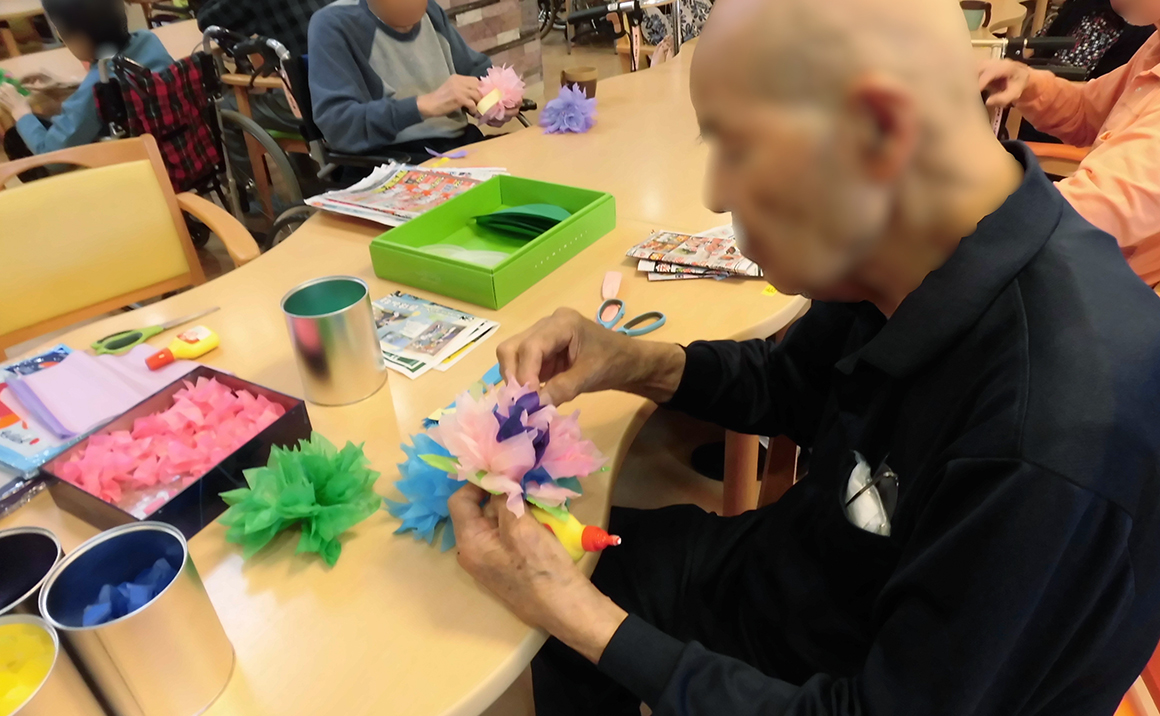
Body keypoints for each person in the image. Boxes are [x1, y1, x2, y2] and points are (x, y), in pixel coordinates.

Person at [446, 0, 1160, 713]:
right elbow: (790, 385)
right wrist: (627, 361)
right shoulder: (910, 247)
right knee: (580, 574)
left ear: (879, 131)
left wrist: (577, 618)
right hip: (812, 576)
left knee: (567, 612)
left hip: (850, 675)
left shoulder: (1051, 436)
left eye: (737, 147)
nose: (715, 193)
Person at [979, 0, 1160, 287]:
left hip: (1106, 289)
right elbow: (1088, 112)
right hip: (1076, 258)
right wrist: (1026, 84)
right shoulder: (1155, 47)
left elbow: (1085, 213)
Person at [306, 0, 520, 162]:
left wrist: (496, 100)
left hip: (459, 148)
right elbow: (339, 127)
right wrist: (421, 106)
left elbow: (478, 71)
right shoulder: (333, 24)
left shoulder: (431, 13)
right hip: (390, 160)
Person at [0, 0, 172, 161]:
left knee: (18, 138)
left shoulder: (95, 88)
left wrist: (21, 112)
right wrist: (65, 84)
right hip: (170, 145)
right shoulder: (147, 40)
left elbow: (51, 155)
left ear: (78, 39)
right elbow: (124, 83)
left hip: (134, 162)